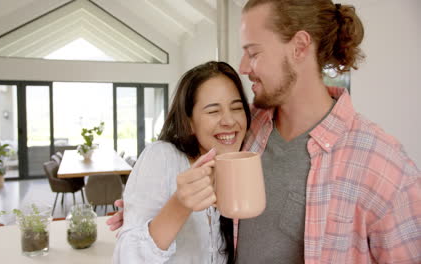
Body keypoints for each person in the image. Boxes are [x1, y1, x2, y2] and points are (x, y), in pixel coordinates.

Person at [109, 0, 421, 263]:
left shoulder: (386, 168)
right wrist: (147, 207)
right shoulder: (251, 126)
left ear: (299, 47)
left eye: (254, 52)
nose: (243, 66)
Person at [112, 61, 251, 263]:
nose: (229, 121)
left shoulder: (239, 166)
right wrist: (179, 204)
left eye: (237, 108)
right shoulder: (161, 156)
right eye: (213, 111)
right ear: (189, 122)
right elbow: (127, 257)